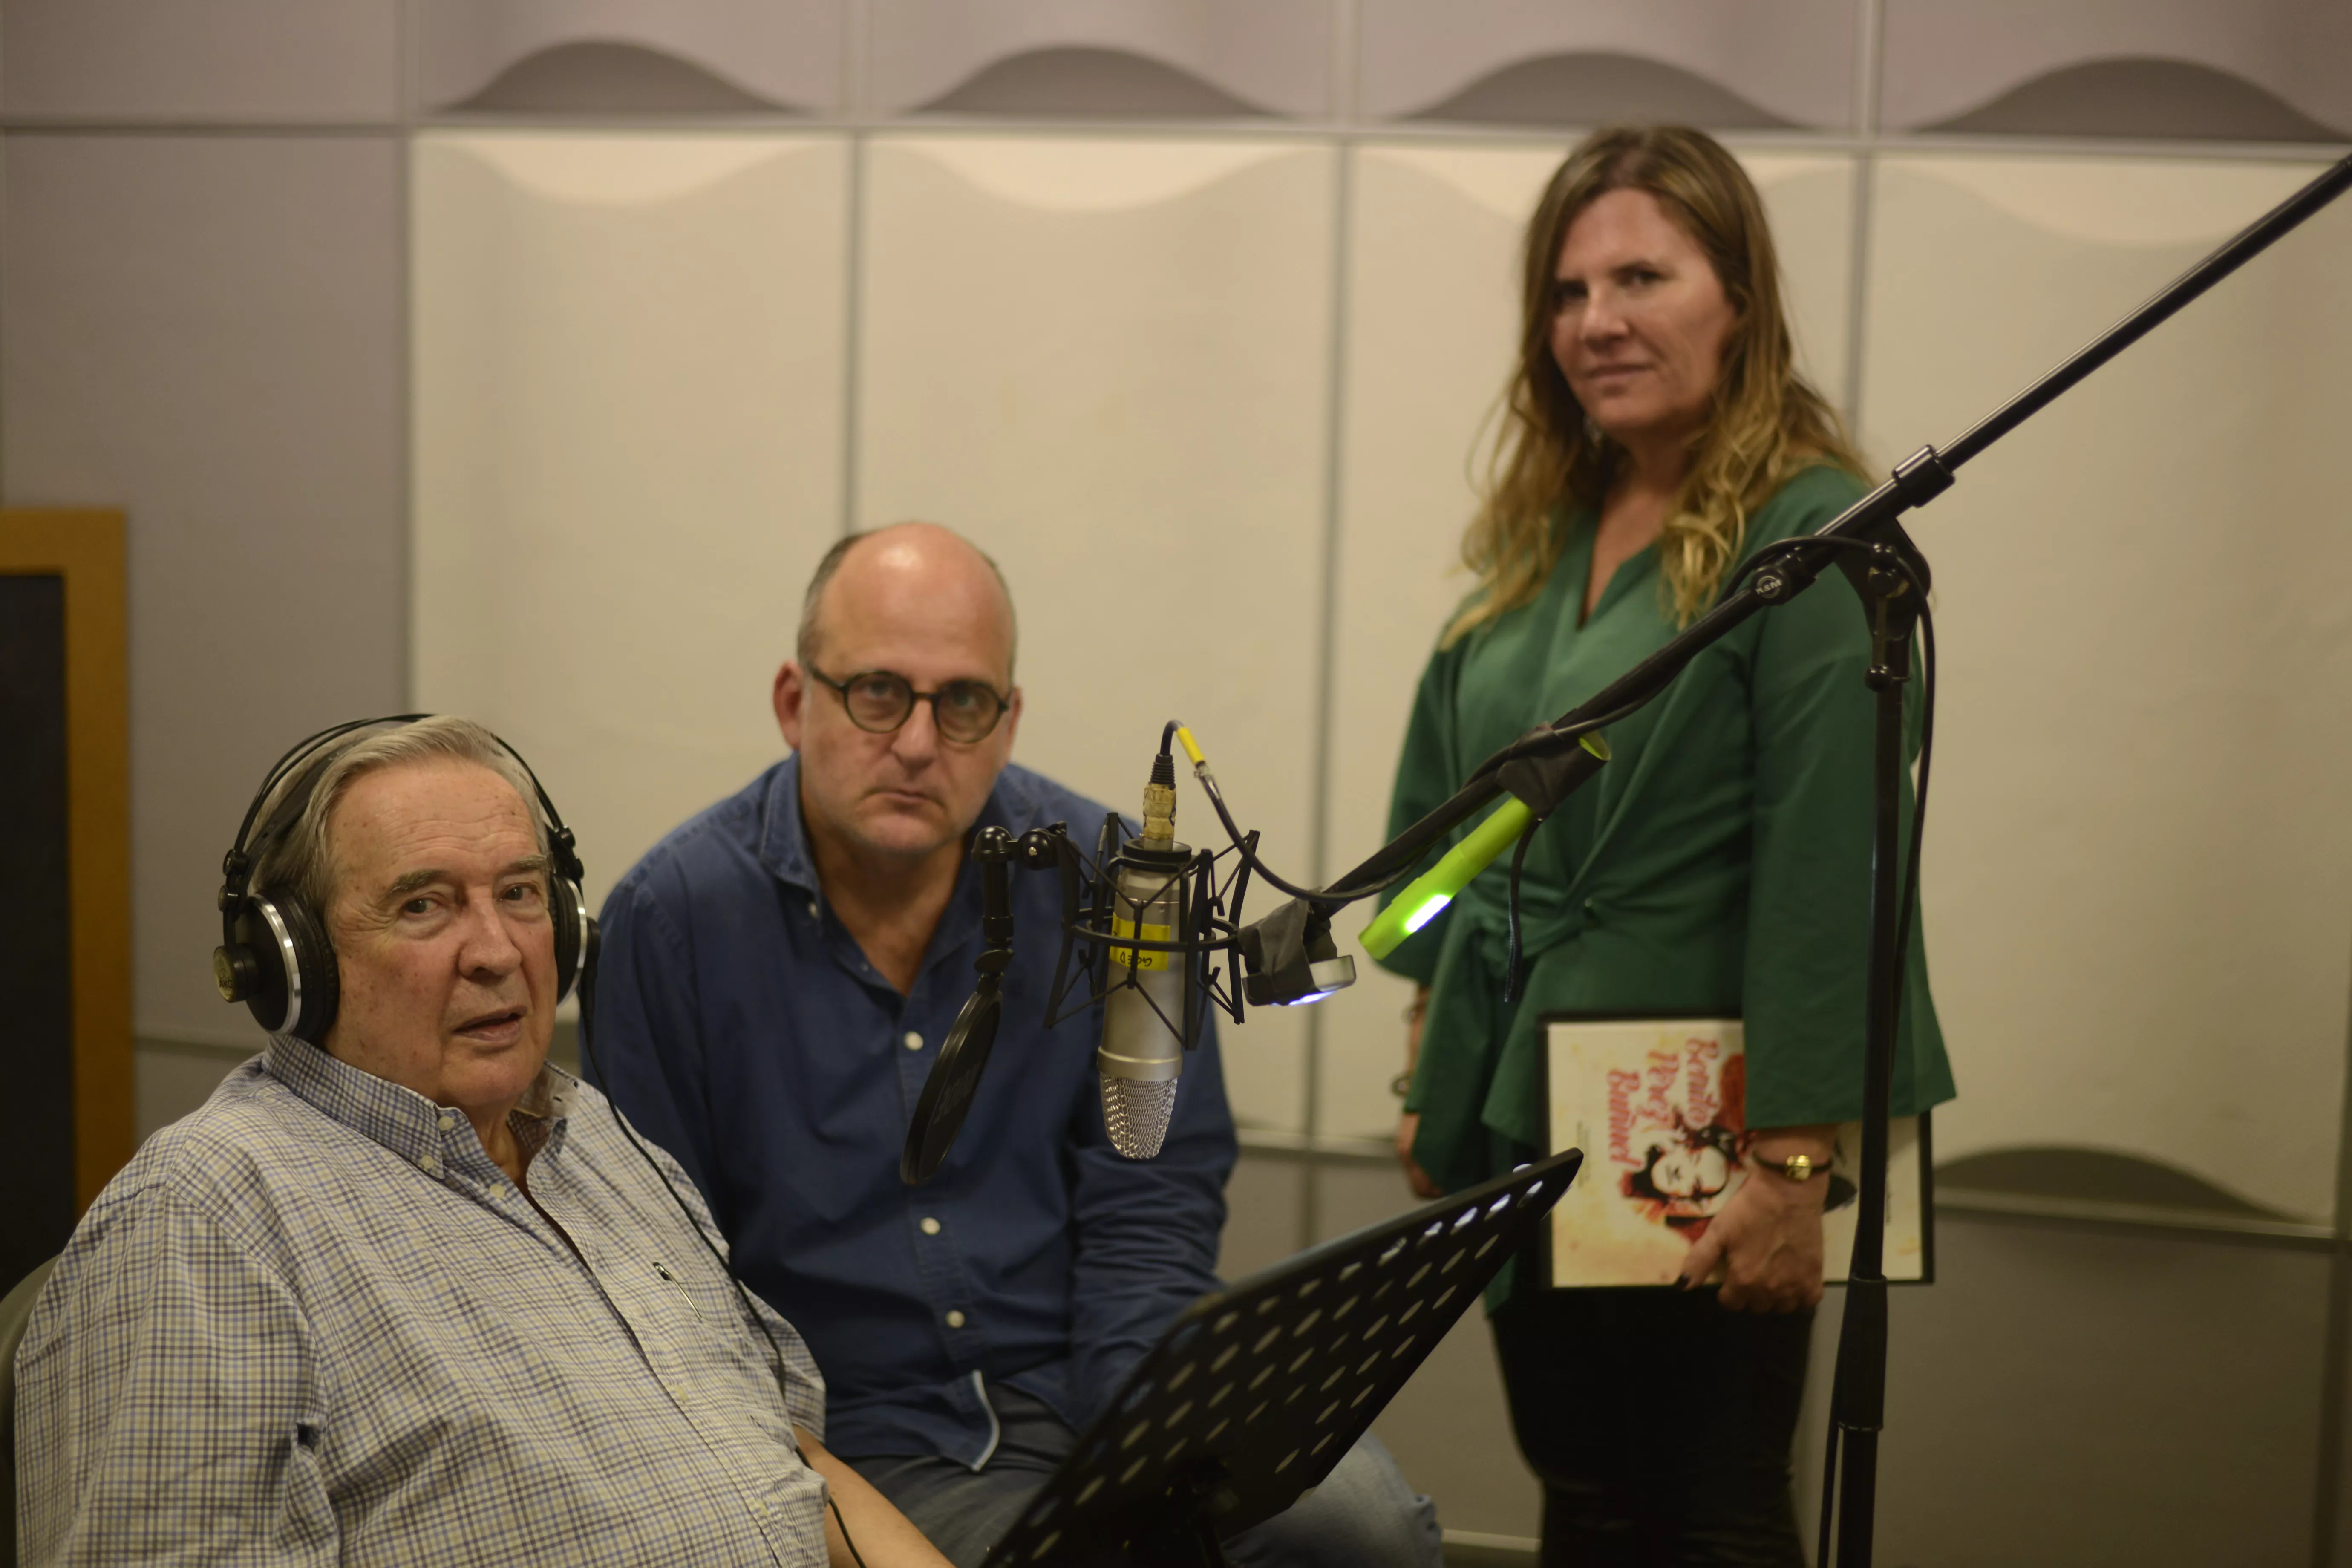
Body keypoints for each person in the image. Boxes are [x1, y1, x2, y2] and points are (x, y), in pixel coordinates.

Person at [588, 522, 1442, 1568]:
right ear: (792, 701)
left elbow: (1151, 1196)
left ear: (1008, 720)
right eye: (876, 692)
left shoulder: (1120, 885)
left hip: (1102, 1374)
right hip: (861, 1436)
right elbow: (666, 1281)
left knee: (1371, 1532)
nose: (917, 743)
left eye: (962, 702)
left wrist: (1148, 1440)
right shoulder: (671, 922)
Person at [1375, 126, 1958, 1563]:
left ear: (1739, 302)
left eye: (1642, 277)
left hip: (1697, 1133)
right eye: (1570, 292)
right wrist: (1429, 1040)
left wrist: (1794, 1169)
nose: (1598, 322)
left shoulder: (1812, 537)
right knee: (1581, 1491)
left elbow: (1830, 867)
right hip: (1522, 1097)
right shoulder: (1545, 529)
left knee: (1708, 1512)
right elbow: (1449, 824)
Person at [14, 717, 949, 1568]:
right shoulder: (203, 1220)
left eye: (520, 893)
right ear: (296, 961)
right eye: (424, 905)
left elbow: (786, 1455)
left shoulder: (600, 1142)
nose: (498, 950)